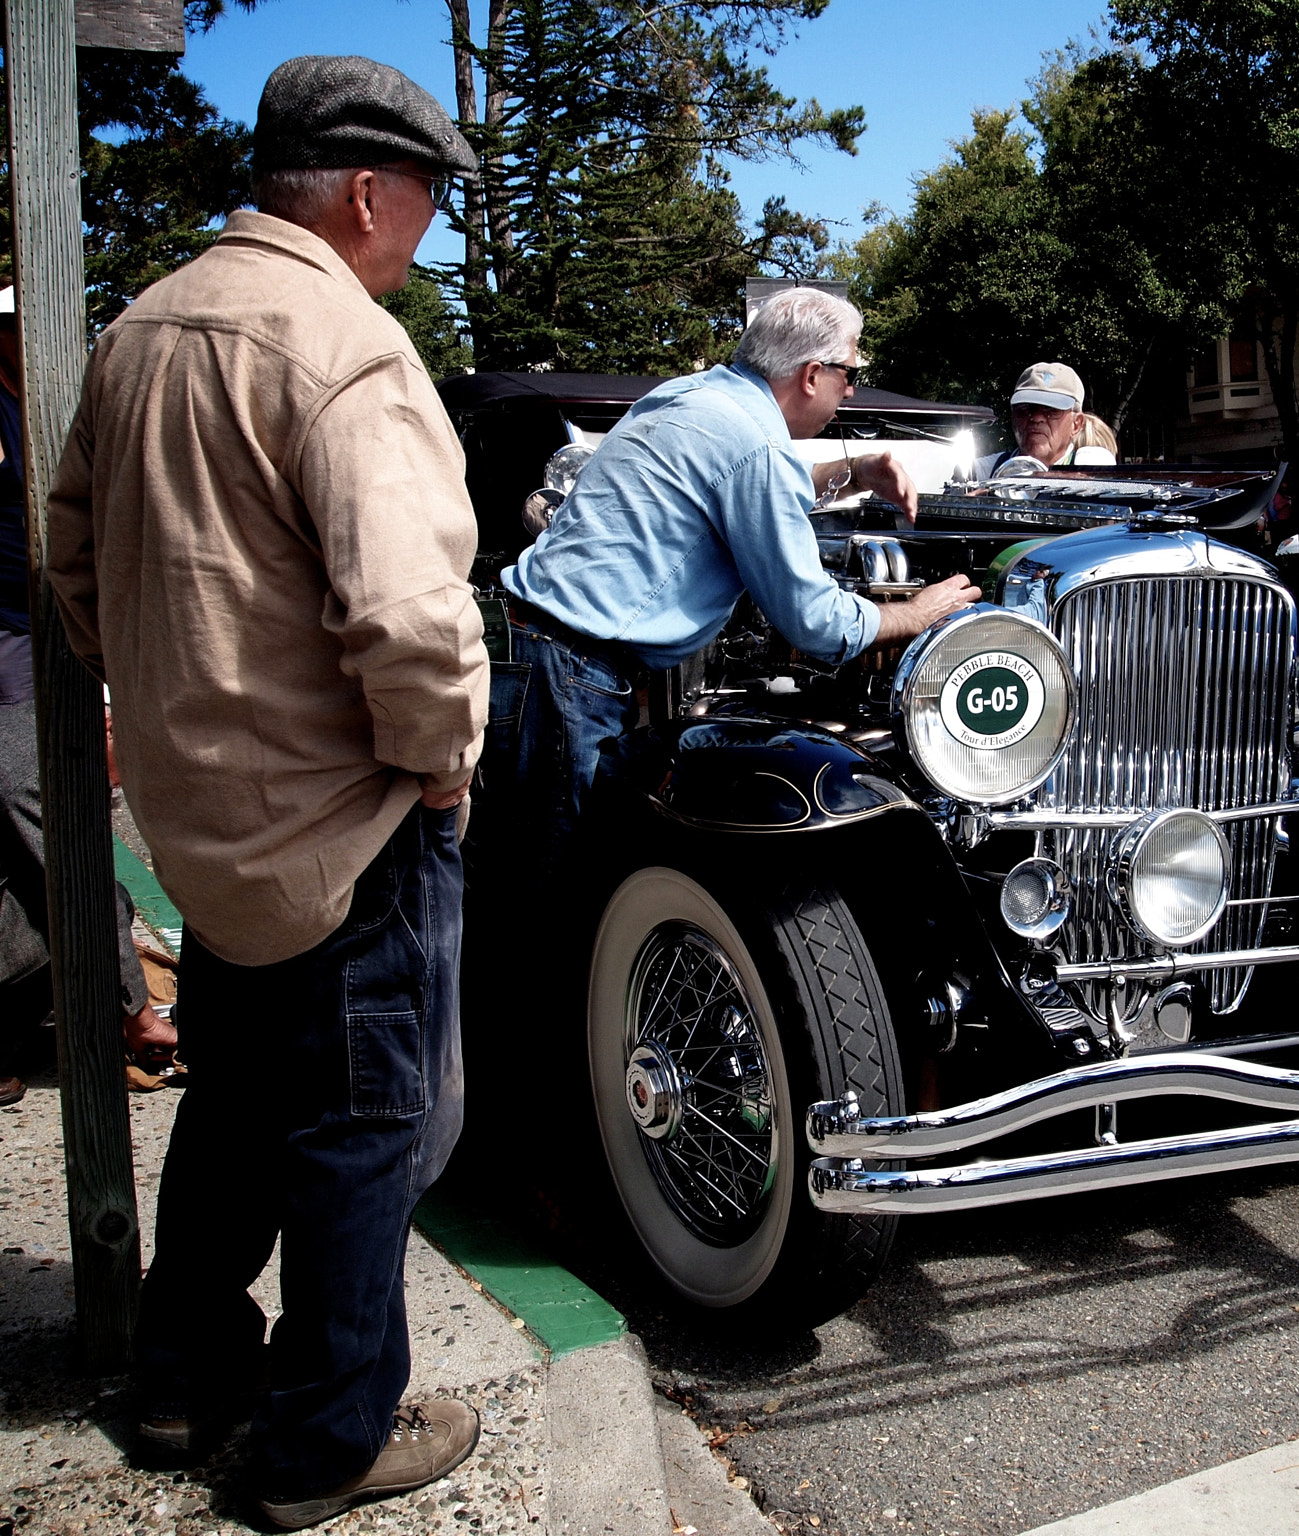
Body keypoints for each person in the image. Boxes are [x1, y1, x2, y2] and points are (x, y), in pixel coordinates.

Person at [44, 55, 489, 1530]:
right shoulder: (345, 347)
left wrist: (181, 699)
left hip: (200, 824)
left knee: (234, 1105)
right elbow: (415, 626)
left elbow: (69, 566)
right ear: (369, 190)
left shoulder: (137, 332)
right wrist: (440, 773)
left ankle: (181, 1379)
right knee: (366, 1128)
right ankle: (325, 1442)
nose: (427, 231)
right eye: (426, 200)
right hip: (346, 825)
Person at [485, 285, 980, 891]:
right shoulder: (753, 443)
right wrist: (913, 613)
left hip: (525, 652)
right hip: (572, 677)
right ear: (811, 374)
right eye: (849, 374)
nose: (850, 390)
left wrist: (857, 471)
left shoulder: (691, 396)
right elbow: (812, 621)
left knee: (514, 875)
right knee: (552, 893)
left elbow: (754, 474)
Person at [0, 301, 160, 1104]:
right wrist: (132, 1003)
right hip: (16, 629)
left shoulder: (53, 404)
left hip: (36, 624)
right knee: (63, 854)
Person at [971, 363, 1118, 477]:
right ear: (1013, 416)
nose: (1036, 418)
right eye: (1026, 408)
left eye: (1051, 410)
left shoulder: (1092, 462)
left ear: (1076, 424)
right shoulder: (984, 471)